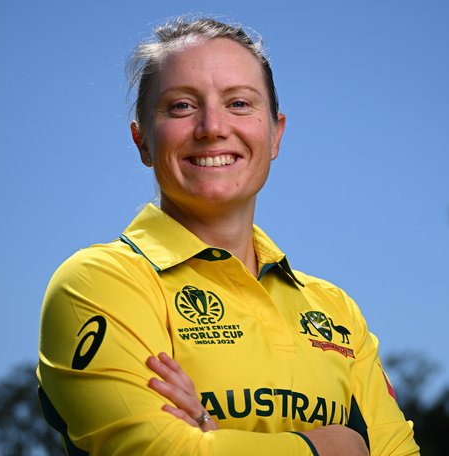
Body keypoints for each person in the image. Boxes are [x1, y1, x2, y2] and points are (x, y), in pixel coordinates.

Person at [37, 16, 420, 456]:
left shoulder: (335, 310)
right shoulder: (99, 283)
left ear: (275, 134)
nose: (213, 127)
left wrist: (213, 438)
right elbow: (152, 451)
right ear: (142, 141)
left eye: (239, 103)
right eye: (181, 106)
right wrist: (325, 448)